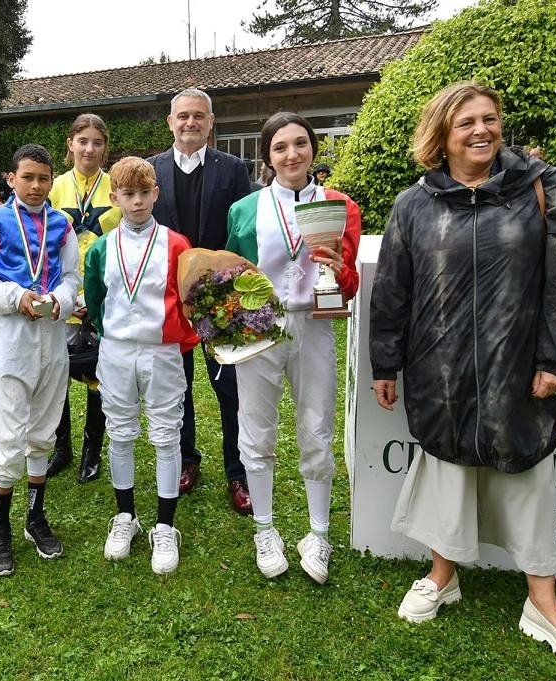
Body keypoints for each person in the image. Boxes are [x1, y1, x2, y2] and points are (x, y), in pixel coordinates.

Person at [370, 81, 556, 677]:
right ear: (441, 136)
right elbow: (393, 290)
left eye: (490, 119)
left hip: (516, 366)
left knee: (527, 480)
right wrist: (384, 363)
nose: (481, 130)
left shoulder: (539, 187)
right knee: (448, 473)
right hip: (440, 368)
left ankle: (543, 604)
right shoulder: (414, 204)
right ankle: (441, 577)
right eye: (466, 122)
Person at [226, 112, 360, 584]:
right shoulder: (245, 209)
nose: (292, 154)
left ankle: (318, 534)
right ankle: (265, 529)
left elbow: (349, 284)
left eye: (300, 144)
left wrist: (339, 269)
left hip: (314, 325)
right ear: (268, 156)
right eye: (280, 147)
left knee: (317, 429)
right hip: (259, 328)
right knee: (256, 430)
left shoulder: (339, 205)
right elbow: (231, 276)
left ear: (313, 148)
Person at [0, 143, 80, 577]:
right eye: (27, 177)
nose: (35, 186)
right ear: (11, 179)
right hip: (10, 337)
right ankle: (0, 527)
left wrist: (60, 299)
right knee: (8, 433)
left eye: (43, 178)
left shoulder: (62, 225)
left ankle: (35, 516)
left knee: (44, 430)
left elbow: (72, 276)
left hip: (51, 334)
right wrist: (14, 296)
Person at [84, 156, 199, 574]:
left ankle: (165, 526)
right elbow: (95, 299)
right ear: (114, 197)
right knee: (120, 433)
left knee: (167, 436)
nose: (136, 201)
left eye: (144, 193)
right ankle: (125, 516)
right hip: (116, 351)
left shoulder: (177, 244)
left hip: (162, 351)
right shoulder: (101, 248)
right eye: (128, 194)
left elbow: (188, 296)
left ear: (156, 194)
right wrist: (112, 332)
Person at [147, 87, 253, 514]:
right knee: (178, 385)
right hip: (169, 297)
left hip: (219, 296)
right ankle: (186, 459)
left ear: (211, 122)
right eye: (183, 116)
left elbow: (241, 230)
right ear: (170, 122)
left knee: (230, 387)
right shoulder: (152, 170)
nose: (190, 122)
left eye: (198, 116)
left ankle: (238, 472)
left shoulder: (233, 169)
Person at [45, 113, 122, 483]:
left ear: (105, 147)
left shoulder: (117, 188)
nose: (90, 149)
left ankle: (93, 450)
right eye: (83, 141)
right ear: (70, 144)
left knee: (98, 374)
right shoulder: (54, 187)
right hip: (60, 295)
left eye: (97, 142)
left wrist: (96, 296)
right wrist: (62, 294)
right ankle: (61, 447)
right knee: (56, 371)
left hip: (103, 296)